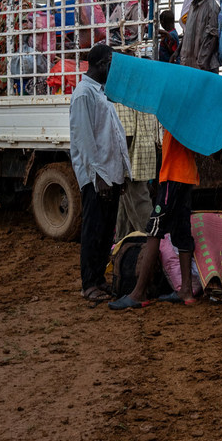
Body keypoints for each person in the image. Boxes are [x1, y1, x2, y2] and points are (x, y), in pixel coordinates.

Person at [109, 130, 199, 309]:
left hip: (173, 175)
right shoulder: (190, 112)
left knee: (154, 230)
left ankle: (139, 293)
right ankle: (186, 291)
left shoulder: (174, 109)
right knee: (182, 232)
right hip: (186, 174)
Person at [69, 45, 131, 302]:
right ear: (103, 64)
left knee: (106, 232)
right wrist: (99, 177)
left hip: (111, 174)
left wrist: (123, 172)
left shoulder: (102, 93)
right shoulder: (84, 94)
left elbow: (114, 135)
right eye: (112, 63)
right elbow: (84, 141)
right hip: (98, 178)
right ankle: (88, 284)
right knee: (93, 230)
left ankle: (98, 279)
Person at [114, 103, 160, 240]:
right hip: (144, 154)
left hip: (131, 159)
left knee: (139, 205)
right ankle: (121, 243)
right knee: (125, 208)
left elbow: (125, 136)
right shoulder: (142, 93)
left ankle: (153, 244)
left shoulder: (122, 97)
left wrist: (118, 167)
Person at [178, 0, 220, 72]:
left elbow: (214, 36)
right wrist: (177, 52)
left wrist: (206, 60)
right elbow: (187, 31)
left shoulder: (212, 7)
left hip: (204, 63)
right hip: (188, 61)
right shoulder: (192, 5)